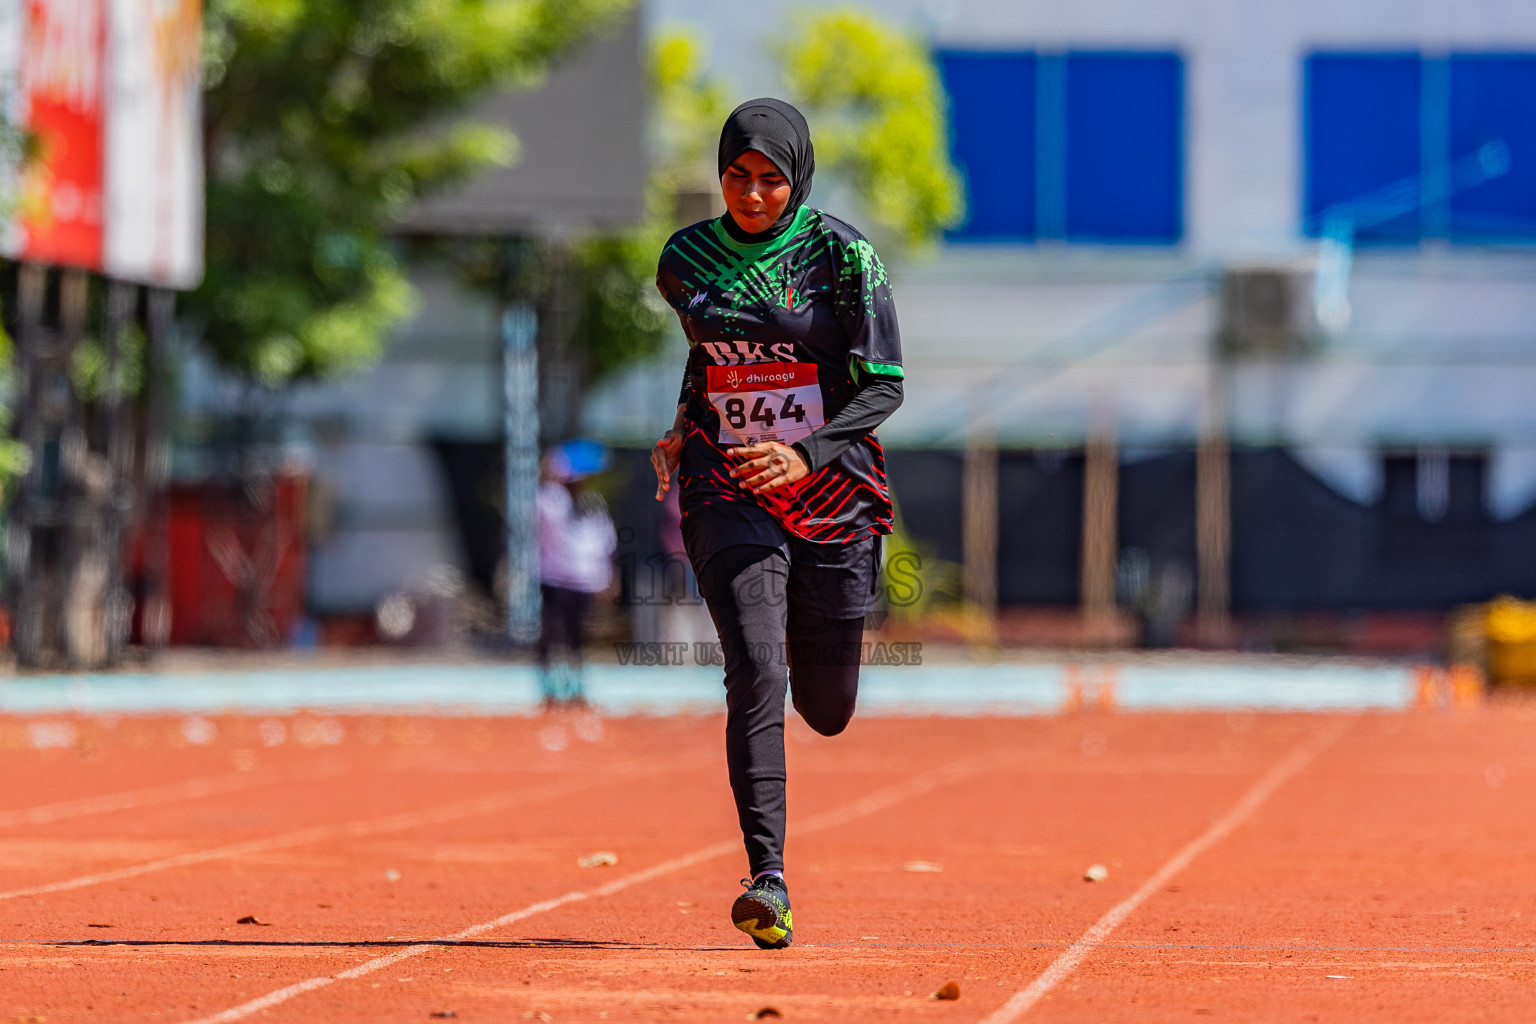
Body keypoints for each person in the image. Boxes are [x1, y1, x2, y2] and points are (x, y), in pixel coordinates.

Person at [651, 98, 904, 949]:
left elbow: (885, 385)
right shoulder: (686, 259)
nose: (751, 195)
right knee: (755, 667)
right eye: (736, 177)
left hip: (831, 494)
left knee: (825, 706)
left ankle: (818, 618)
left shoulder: (844, 257)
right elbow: (710, 352)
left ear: (798, 179)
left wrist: (806, 452)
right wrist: (686, 421)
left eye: (770, 180)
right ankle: (768, 879)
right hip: (726, 483)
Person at [537, 440, 616, 708]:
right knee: (552, 636)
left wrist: (605, 579)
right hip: (555, 580)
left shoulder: (592, 503)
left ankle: (573, 689)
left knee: (576, 638)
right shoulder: (552, 501)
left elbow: (604, 544)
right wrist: (554, 475)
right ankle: (550, 691)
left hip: (581, 582)